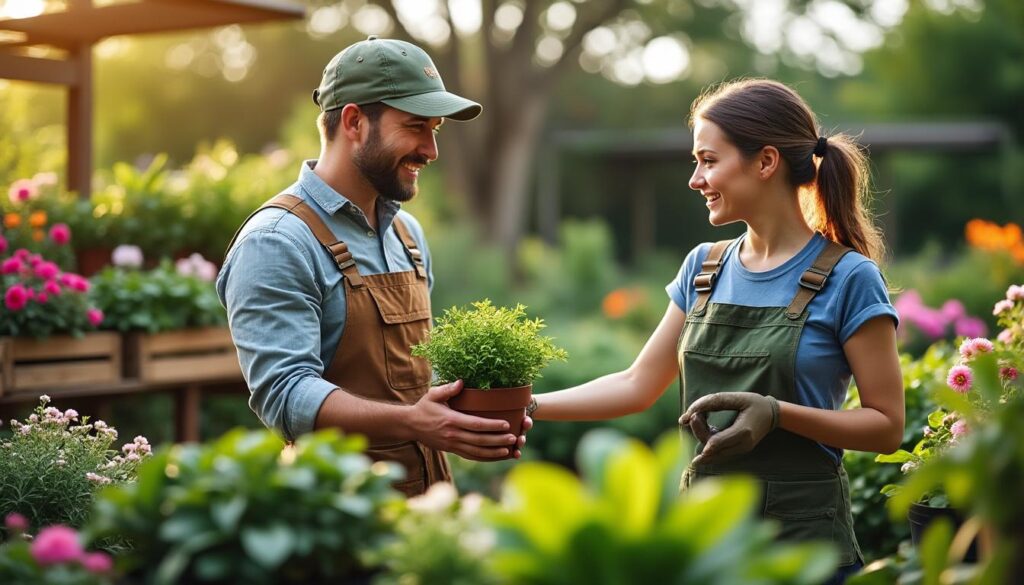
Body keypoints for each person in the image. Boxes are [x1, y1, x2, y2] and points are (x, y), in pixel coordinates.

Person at [528, 79, 904, 583]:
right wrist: (528, 407)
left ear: (766, 162)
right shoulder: (703, 268)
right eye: (695, 162)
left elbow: (886, 425)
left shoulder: (848, 277)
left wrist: (776, 414)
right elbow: (638, 383)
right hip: (706, 547)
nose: (695, 179)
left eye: (708, 160)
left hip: (803, 554)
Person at [217, 36, 529, 498]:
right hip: (336, 514)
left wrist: (470, 414)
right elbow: (284, 394)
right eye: (416, 126)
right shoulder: (278, 242)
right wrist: (413, 421)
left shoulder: (408, 236)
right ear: (354, 121)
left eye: (435, 130)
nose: (431, 150)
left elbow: (411, 375)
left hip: (428, 503)